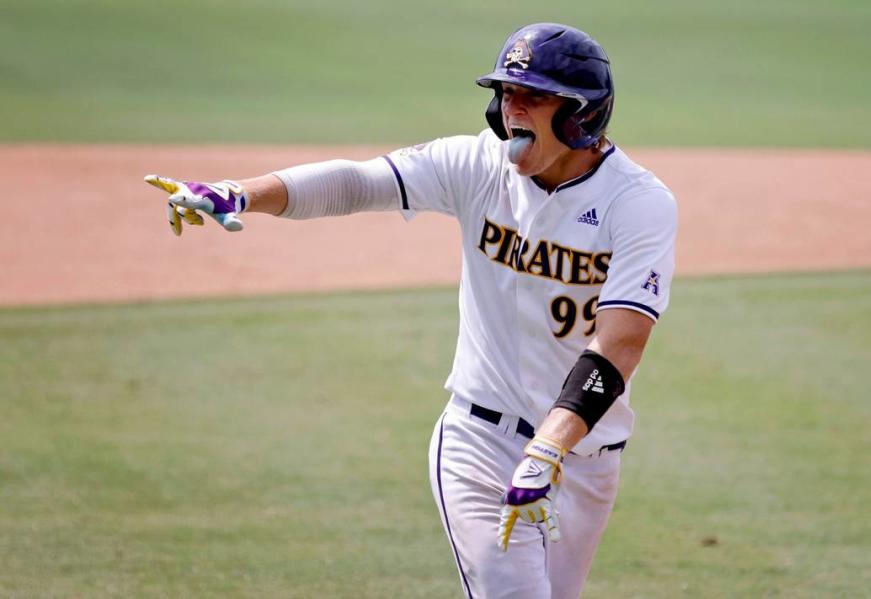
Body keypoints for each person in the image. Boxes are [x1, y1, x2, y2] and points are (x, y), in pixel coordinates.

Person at [145, 22, 677, 599]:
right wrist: (241, 192)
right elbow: (356, 181)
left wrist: (549, 447)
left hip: (585, 458)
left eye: (534, 96)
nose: (512, 109)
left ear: (581, 114)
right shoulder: (476, 165)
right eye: (506, 94)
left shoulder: (638, 203)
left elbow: (620, 343)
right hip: (483, 444)